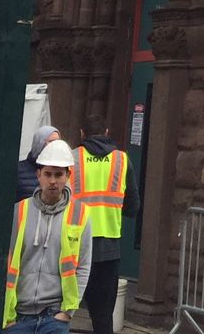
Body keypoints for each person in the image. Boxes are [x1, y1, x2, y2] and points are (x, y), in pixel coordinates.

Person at [3, 139, 92, 332]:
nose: (53, 181)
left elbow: (83, 267)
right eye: (48, 174)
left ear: (68, 175)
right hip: (18, 317)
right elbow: (6, 261)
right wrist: (9, 317)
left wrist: (68, 312)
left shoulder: (80, 214)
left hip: (54, 317)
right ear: (38, 175)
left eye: (59, 174)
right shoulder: (19, 211)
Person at [70, 127, 140, 334]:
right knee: (102, 317)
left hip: (74, 245)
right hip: (107, 249)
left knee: (62, 311)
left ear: (82, 133)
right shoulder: (121, 159)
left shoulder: (73, 157)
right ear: (108, 131)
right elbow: (133, 206)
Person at [17, 124, 62, 200]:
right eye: (51, 142)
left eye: (58, 142)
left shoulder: (62, 171)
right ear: (39, 143)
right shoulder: (19, 170)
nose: (55, 146)